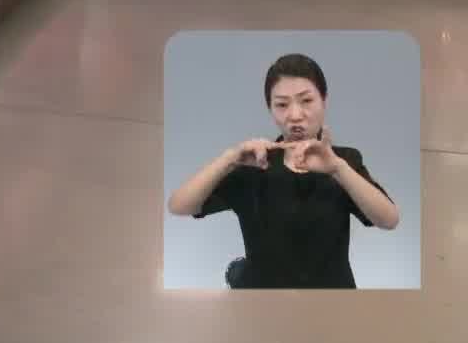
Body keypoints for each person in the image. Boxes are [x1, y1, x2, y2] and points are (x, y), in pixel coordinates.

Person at [167, 53, 398, 288]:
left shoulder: (345, 160)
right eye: (282, 104)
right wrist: (229, 159)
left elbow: (389, 220)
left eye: (306, 101)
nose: (295, 115)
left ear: (324, 100)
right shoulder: (255, 165)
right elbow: (179, 206)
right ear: (270, 109)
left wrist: (338, 169)